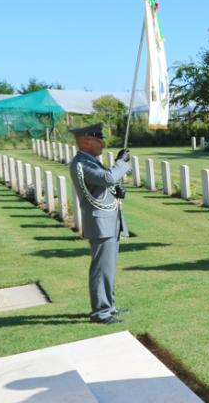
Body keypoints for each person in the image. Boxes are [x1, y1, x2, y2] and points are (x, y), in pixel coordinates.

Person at [68, 123, 132, 324]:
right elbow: (108, 177)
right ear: (87, 141)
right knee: (101, 269)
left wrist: (115, 193)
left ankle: (108, 306)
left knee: (108, 268)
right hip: (100, 223)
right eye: (99, 139)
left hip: (108, 221)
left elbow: (101, 186)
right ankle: (101, 313)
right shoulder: (81, 163)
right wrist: (120, 162)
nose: (103, 143)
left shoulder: (91, 161)